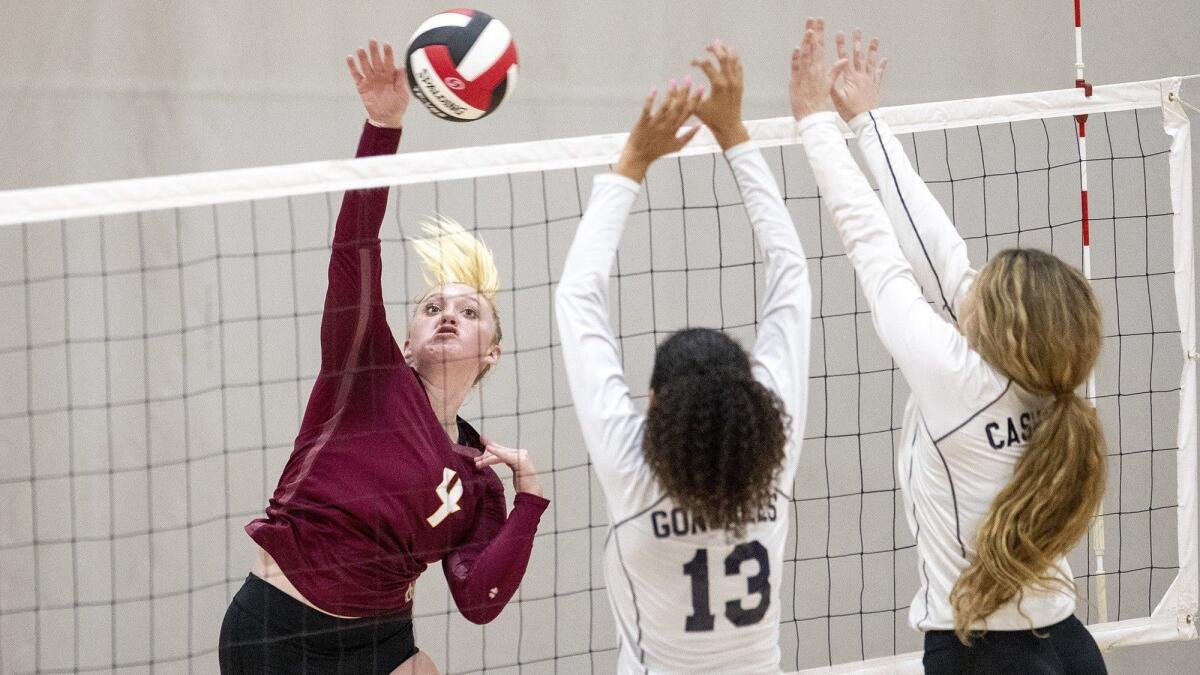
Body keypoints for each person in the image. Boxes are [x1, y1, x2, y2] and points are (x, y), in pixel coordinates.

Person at [218, 40, 550, 674]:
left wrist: (528, 500)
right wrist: (384, 129)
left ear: (492, 353)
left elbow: (479, 600)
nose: (448, 315)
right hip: (278, 630)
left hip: (380, 638)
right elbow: (355, 246)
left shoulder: (476, 478)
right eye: (431, 308)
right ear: (403, 341)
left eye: (469, 312)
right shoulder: (366, 373)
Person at [790, 18, 1107, 674]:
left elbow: (876, 246)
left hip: (986, 658)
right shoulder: (1049, 379)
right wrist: (867, 126)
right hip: (1069, 647)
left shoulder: (957, 379)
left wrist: (815, 124)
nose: (972, 283)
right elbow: (942, 255)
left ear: (1000, 323)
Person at [555, 41, 811, 673]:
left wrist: (633, 162)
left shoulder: (631, 467)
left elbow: (575, 298)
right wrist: (737, 136)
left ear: (654, 407)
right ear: (755, 397)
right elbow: (794, 275)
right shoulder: (772, 464)